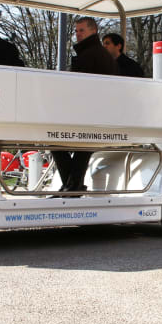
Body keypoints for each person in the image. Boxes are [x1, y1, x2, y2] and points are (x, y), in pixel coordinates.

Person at [51, 17, 118, 193]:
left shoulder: (89, 55)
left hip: (87, 113)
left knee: (55, 142)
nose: (78, 34)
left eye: (82, 30)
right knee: (78, 149)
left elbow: (79, 88)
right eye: (76, 31)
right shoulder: (98, 54)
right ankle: (73, 185)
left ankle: (73, 186)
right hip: (97, 113)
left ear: (93, 31)